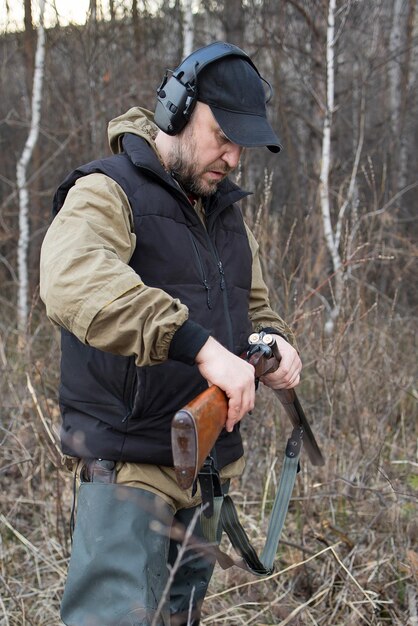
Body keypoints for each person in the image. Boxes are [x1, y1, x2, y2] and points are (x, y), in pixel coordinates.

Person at [40, 42, 302, 626]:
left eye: (243, 145)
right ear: (178, 112)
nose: (233, 157)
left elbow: (254, 305)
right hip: (131, 470)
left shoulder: (224, 212)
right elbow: (69, 277)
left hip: (207, 469)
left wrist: (273, 341)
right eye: (222, 136)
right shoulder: (107, 191)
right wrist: (199, 346)